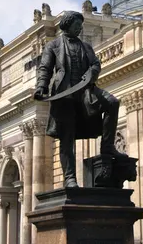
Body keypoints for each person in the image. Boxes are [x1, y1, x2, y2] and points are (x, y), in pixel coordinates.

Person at [34, 10, 126, 188]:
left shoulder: (86, 47)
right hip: (64, 94)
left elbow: (95, 64)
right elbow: (45, 68)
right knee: (67, 137)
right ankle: (69, 178)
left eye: (80, 25)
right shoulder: (53, 46)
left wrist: (92, 73)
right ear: (68, 25)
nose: (80, 28)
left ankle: (107, 147)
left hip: (85, 92)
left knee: (112, 103)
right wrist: (41, 87)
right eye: (77, 25)